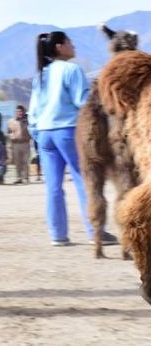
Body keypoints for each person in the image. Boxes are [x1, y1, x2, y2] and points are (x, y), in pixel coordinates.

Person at [28, 31, 117, 247]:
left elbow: (33, 109)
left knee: (53, 186)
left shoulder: (41, 74)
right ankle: (95, 231)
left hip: (44, 132)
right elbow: (82, 102)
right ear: (59, 46)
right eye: (69, 42)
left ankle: (58, 234)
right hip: (68, 130)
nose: (73, 46)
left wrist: (36, 132)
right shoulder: (72, 69)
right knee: (83, 180)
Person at [7, 105, 32, 184]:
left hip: (25, 143)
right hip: (16, 144)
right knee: (17, 162)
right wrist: (11, 136)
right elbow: (8, 132)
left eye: (21, 111)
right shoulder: (11, 121)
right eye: (18, 111)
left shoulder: (27, 121)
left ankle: (26, 177)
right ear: (15, 112)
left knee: (25, 161)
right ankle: (19, 177)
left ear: (23, 112)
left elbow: (32, 130)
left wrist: (29, 136)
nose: (19, 113)